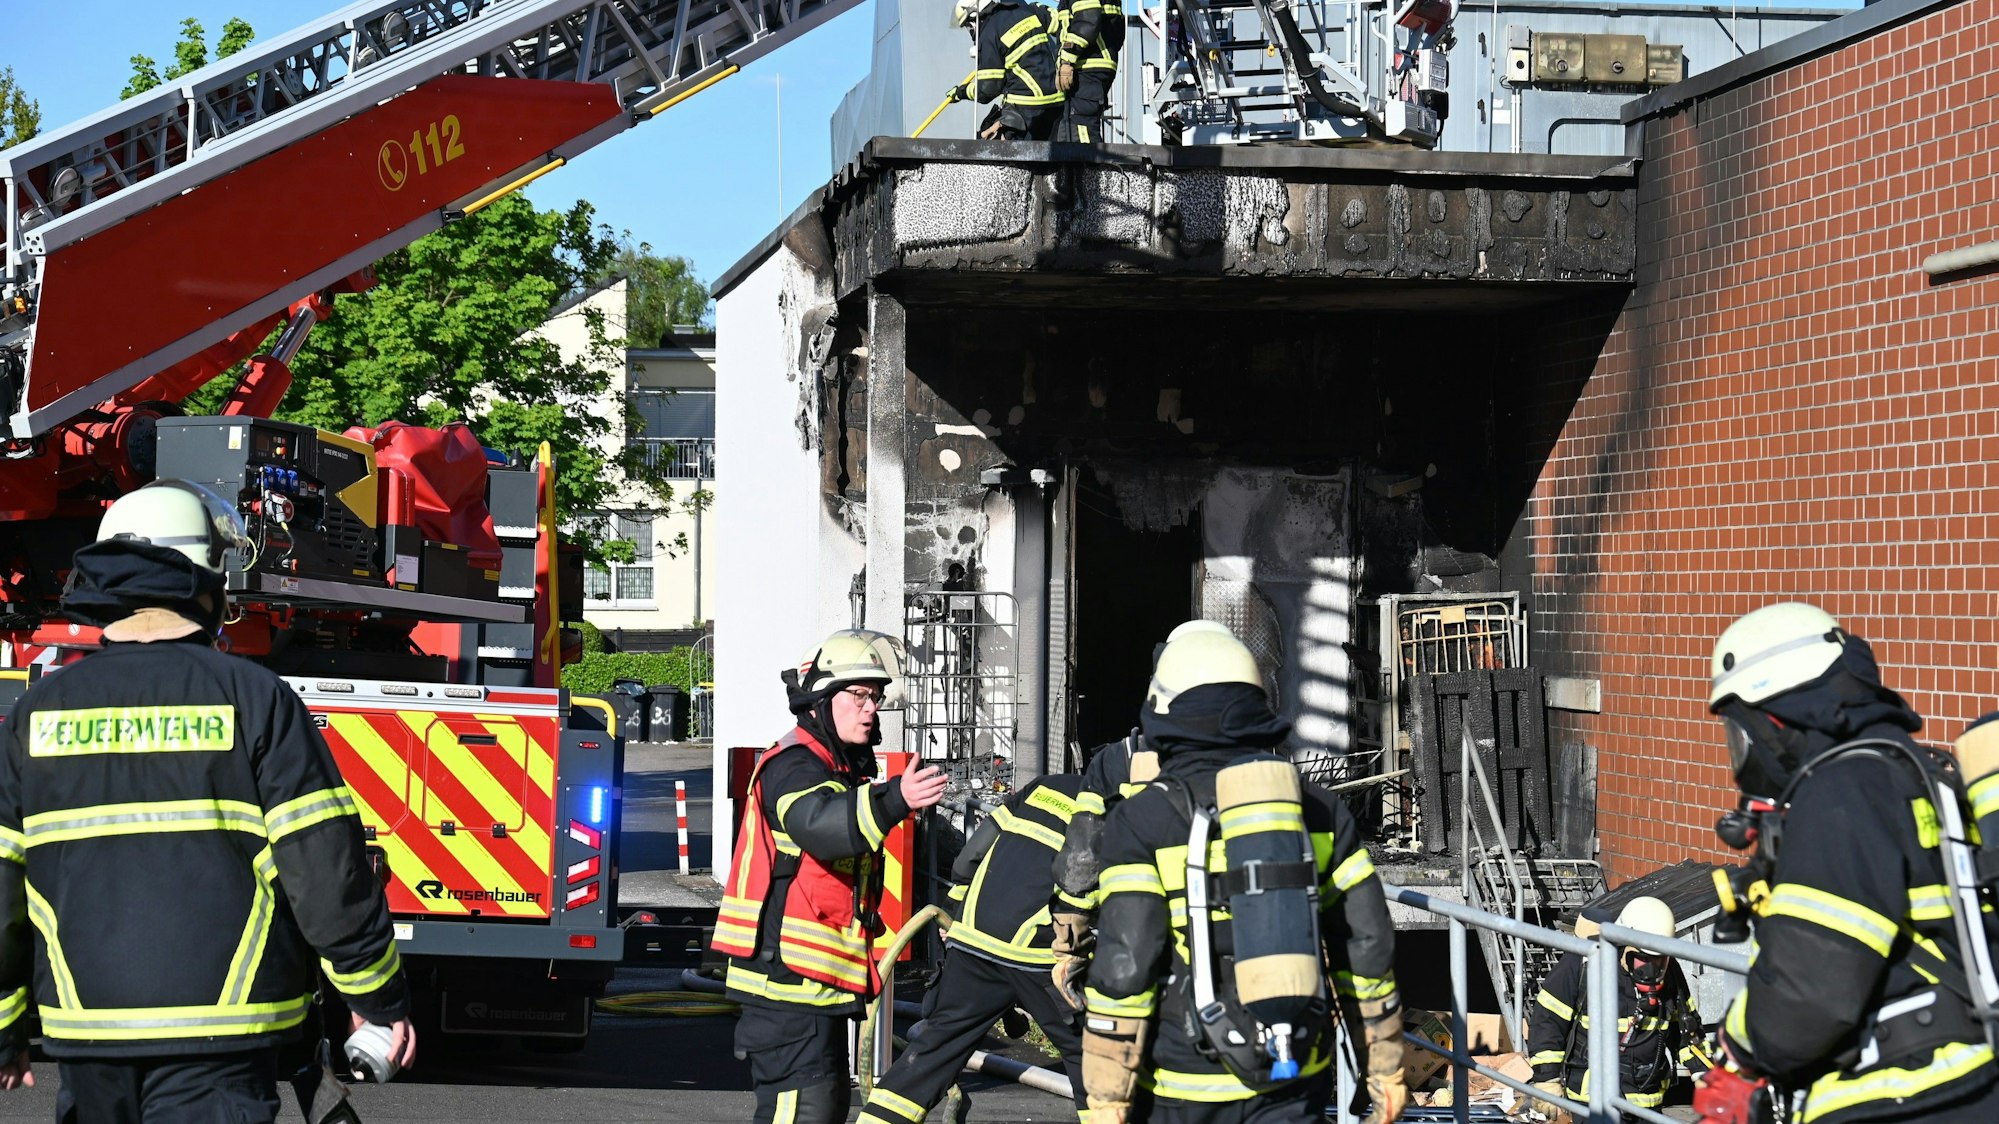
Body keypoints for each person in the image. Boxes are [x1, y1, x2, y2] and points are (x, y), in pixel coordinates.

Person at [0, 480, 415, 1121]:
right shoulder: (256, 698)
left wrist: (5, 1028)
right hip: (226, 1034)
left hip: (86, 1031)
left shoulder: (39, 712)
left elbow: (4, 886)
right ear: (208, 578)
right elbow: (325, 869)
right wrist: (376, 997)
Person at [1080, 624, 1405, 1124]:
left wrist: (1106, 1099)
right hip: (1292, 1075)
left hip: (1183, 1084)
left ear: (1163, 713)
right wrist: (1385, 1070)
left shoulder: (1142, 819)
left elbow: (1127, 965)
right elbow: (1366, 945)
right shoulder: (1318, 809)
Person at [1704, 601, 1999, 1122]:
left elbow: (1810, 992)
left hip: (1901, 1094)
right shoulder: (1910, 772)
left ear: (1777, 717)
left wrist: (1739, 1045)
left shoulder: (1843, 792)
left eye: (1740, 733)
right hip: (1957, 1082)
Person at [712, 629, 950, 1124]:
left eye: (876, 698)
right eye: (859, 696)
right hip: (783, 990)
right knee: (804, 1114)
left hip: (812, 990)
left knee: (824, 1109)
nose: (871, 709)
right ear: (821, 699)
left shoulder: (836, 770)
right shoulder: (793, 766)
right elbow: (821, 827)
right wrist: (894, 799)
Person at [855, 770, 1091, 1124]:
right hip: (1038, 956)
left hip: (974, 944)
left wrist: (959, 916)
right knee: (1094, 1058)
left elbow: (969, 858)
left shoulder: (1043, 788)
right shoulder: (1118, 810)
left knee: (933, 1052)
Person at [1526, 896, 1707, 1118]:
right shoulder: (1585, 963)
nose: (1652, 970)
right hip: (1592, 1099)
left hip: (1648, 1100)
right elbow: (1548, 1021)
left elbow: (1687, 1028)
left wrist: (1704, 1072)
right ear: (1624, 946)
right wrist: (1547, 1080)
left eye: (1659, 960)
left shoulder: (1671, 973)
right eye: (1643, 959)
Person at [947, 0, 1064, 140]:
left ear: (975, 17)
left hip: (1027, 107)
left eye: (968, 25)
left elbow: (987, 90)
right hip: (1058, 101)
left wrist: (961, 92)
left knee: (1007, 151)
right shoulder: (1024, 10)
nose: (971, 30)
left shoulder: (990, 33)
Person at [1054, 0, 1123, 142]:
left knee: (1081, 129)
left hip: (1087, 65)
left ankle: (1090, 164)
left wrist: (1066, 59)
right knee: (1071, 129)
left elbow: (1088, 20)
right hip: (1092, 64)